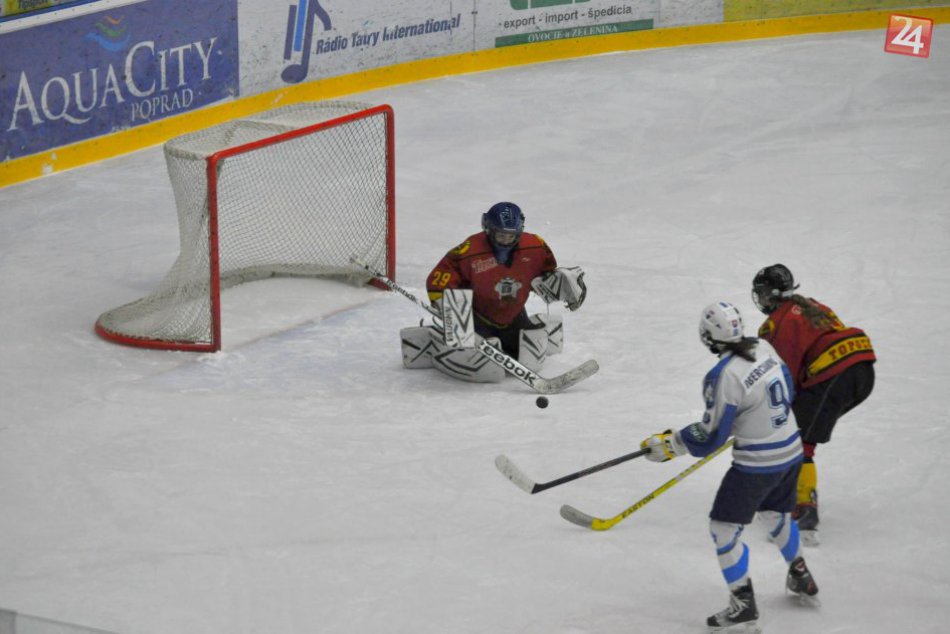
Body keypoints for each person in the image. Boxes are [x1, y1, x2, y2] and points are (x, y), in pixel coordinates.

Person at [641, 301, 818, 632]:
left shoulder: (722, 375)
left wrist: (672, 444)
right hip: (792, 450)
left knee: (722, 529)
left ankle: (743, 606)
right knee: (776, 515)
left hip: (758, 466)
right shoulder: (763, 346)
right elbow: (788, 388)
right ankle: (800, 574)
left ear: (708, 336)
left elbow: (710, 436)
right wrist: (752, 421)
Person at [751, 264, 876, 544]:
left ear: (771, 294)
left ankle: (803, 509)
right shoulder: (811, 305)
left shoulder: (776, 324)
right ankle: (788, 492)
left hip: (836, 374)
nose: (759, 299)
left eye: (761, 293)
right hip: (863, 370)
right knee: (800, 426)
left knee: (798, 437)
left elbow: (785, 377)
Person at [400, 202, 586, 383]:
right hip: (476, 317)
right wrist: (447, 309)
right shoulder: (469, 250)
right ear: (488, 229)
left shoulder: (536, 246)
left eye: (511, 236)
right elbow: (438, 279)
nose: (506, 240)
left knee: (527, 355)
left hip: (513, 314)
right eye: (501, 235)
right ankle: (438, 339)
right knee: (481, 361)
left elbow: (547, 273)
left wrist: (562, 283)